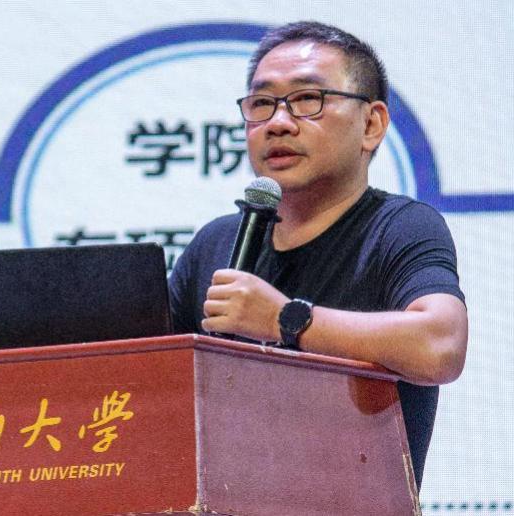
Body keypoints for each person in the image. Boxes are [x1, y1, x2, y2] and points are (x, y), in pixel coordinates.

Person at [168, 21, 467, 491]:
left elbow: (440, 346)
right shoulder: (217, 243)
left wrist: (283, 319)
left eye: (308, 99)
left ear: (371, 124)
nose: (278, 122)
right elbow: (152, 381)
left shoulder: (400, 228)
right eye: (262, 104)